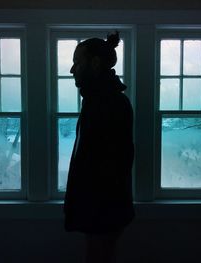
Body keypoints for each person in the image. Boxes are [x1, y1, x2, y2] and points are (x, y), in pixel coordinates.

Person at [63, 31, 135, 263]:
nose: (72, 70)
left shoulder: (109, 103)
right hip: (101, 207)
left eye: (77, 62)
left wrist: (89, 208)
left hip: (103, 209)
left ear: (94, 63)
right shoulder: (100, 100)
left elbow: (113, 162)